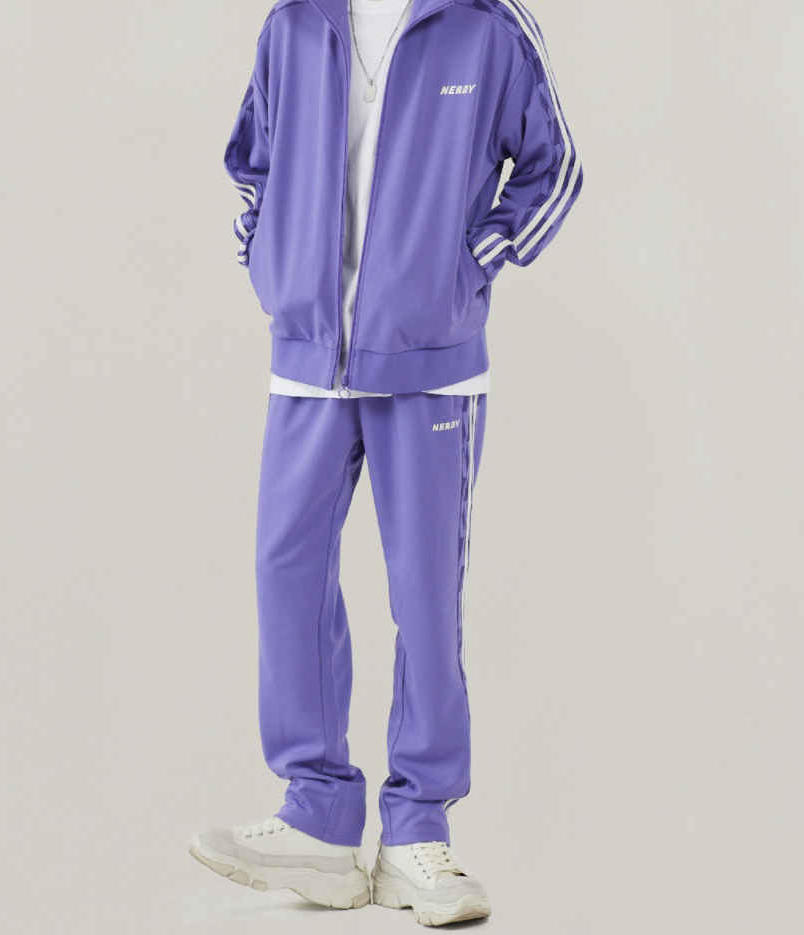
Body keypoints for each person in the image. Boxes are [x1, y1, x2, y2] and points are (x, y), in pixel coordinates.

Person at [190, 0, 583, 925]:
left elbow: (553, 166)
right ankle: (319, 818)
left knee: (424, 595)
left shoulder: (485, 25)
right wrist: (274, 267)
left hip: (429, 363)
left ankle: (416, 831)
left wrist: (469, 264)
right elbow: (251, 160)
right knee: (286, 570)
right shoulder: (295, 23)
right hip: (308, 355)